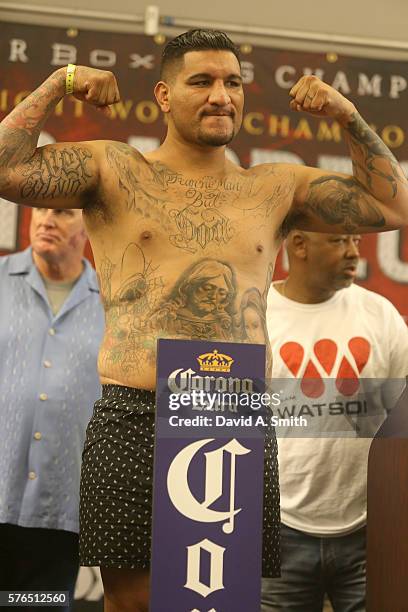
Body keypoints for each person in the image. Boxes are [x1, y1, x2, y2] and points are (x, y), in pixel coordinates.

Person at [0, 28, 407, 612]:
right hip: (135, 413)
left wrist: (345, 113)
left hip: (233, 414)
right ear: (163, 96)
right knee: (133, 603)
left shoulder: (273, 188)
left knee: (223, 601)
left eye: (233, 82)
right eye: (202, 82)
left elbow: (394, 206)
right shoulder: (114, 169)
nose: (222, 95)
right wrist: (58, 84)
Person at [262, 231, 408, 612]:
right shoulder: (255, 315)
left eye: (356, 240)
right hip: (277, 529)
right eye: (340, 241)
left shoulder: (380, 314)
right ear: (299, 245)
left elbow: (405, 418)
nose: (354, 253)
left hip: (371, 529)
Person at [0, 207, 104, 610]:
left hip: (59, 509)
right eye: (41, 209)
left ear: (89, 226)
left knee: (36, 607)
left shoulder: (112, 304)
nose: (46, 220)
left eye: (62, 212)